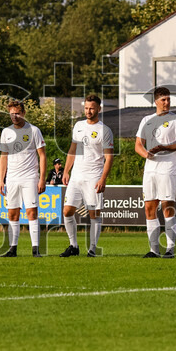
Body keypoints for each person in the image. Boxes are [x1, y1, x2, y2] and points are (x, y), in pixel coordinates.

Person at [135, 87, 176, 258]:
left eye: (168, 99)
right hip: (150, 169)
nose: (167, 103)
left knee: (167, 207)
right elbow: (138, 145)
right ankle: (153, 250)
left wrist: (166, 147)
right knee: (149, 208)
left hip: (168, 168)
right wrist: (147, 154)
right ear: (156, 101)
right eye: (163, 100)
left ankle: (170, 249)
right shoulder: (147, 119)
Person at [61, 95, 114, 258]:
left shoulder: (104, 130)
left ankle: (92, 249)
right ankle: (73, 246)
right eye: (86, 108)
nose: (88, 111)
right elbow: (72, 150)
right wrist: (66, 171)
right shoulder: (78, 125)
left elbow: (109, 157)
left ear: (99, 109)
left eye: (91, 108)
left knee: (94, 214)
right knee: (67, 211)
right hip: (76, 176)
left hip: (93, 177)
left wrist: (103, 178)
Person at [0, 100, 47, 257]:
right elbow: (3, 157)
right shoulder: (6, 132)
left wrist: (42, 178)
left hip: (30, 177)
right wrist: (1, 179)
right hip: (12, 178)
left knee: (31, 213)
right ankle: (13, 249)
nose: (14, 116)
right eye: (12, 113)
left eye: (17, 113)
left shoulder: (34, 130)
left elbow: (42, 155)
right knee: (13, 214)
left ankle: (35, 249)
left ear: (24, 113)